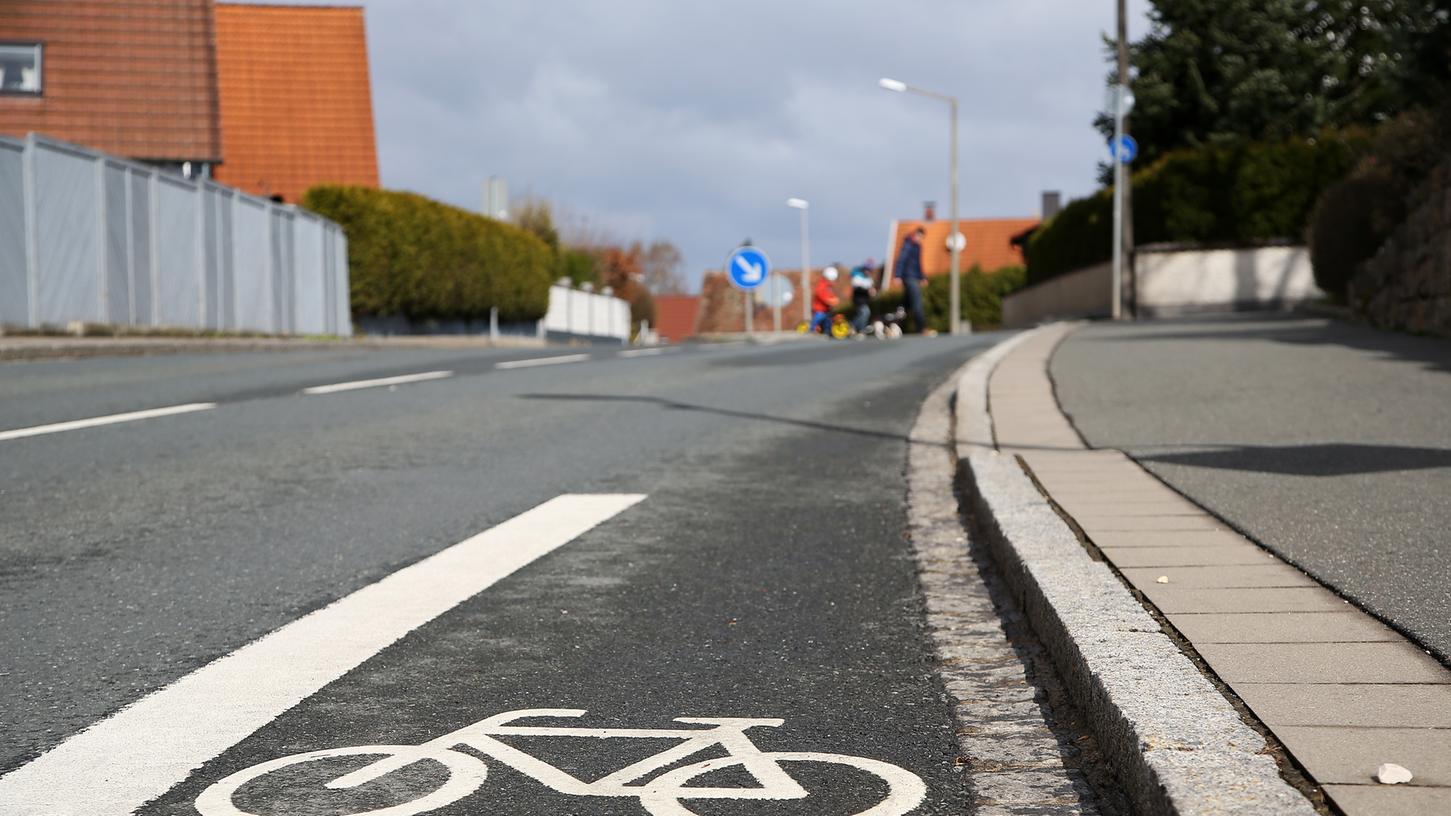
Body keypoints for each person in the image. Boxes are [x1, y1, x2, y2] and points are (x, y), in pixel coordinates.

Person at [894, 227, 932, 335]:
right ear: (916, 235)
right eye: (920, 237)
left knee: (907, 304)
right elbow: (901, 259)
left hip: (914, 276)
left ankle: (894, 324)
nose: (920, 239)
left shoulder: (918, 246)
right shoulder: (908, 244)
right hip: (909, 277)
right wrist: (897, 275)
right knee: (917, 302)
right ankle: (921, 328)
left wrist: (922, 277)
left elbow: (918, 264)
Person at [810, 266, 840, 335]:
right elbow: (823, 297)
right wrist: (831, 301)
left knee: (828, 322)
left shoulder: (828, 287)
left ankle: (827, 332)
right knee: (817, 319)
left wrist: (834, 299)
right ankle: (811, 330)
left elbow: (831, 296)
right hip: (819, 310)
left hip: (826, 310)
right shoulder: (822, 286)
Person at [849, 262, 876, 335]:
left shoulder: (869, 279)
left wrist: (873, 292)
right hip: (858, 300)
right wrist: (867, 291)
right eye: (867, 270)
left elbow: (871, 288)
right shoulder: (857, 277)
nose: (868, 272)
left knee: (861, 314)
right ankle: (860, 329)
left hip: (865, 301)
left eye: (870, 270)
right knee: (865, 312)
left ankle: (852, 327)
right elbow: (857, 288)